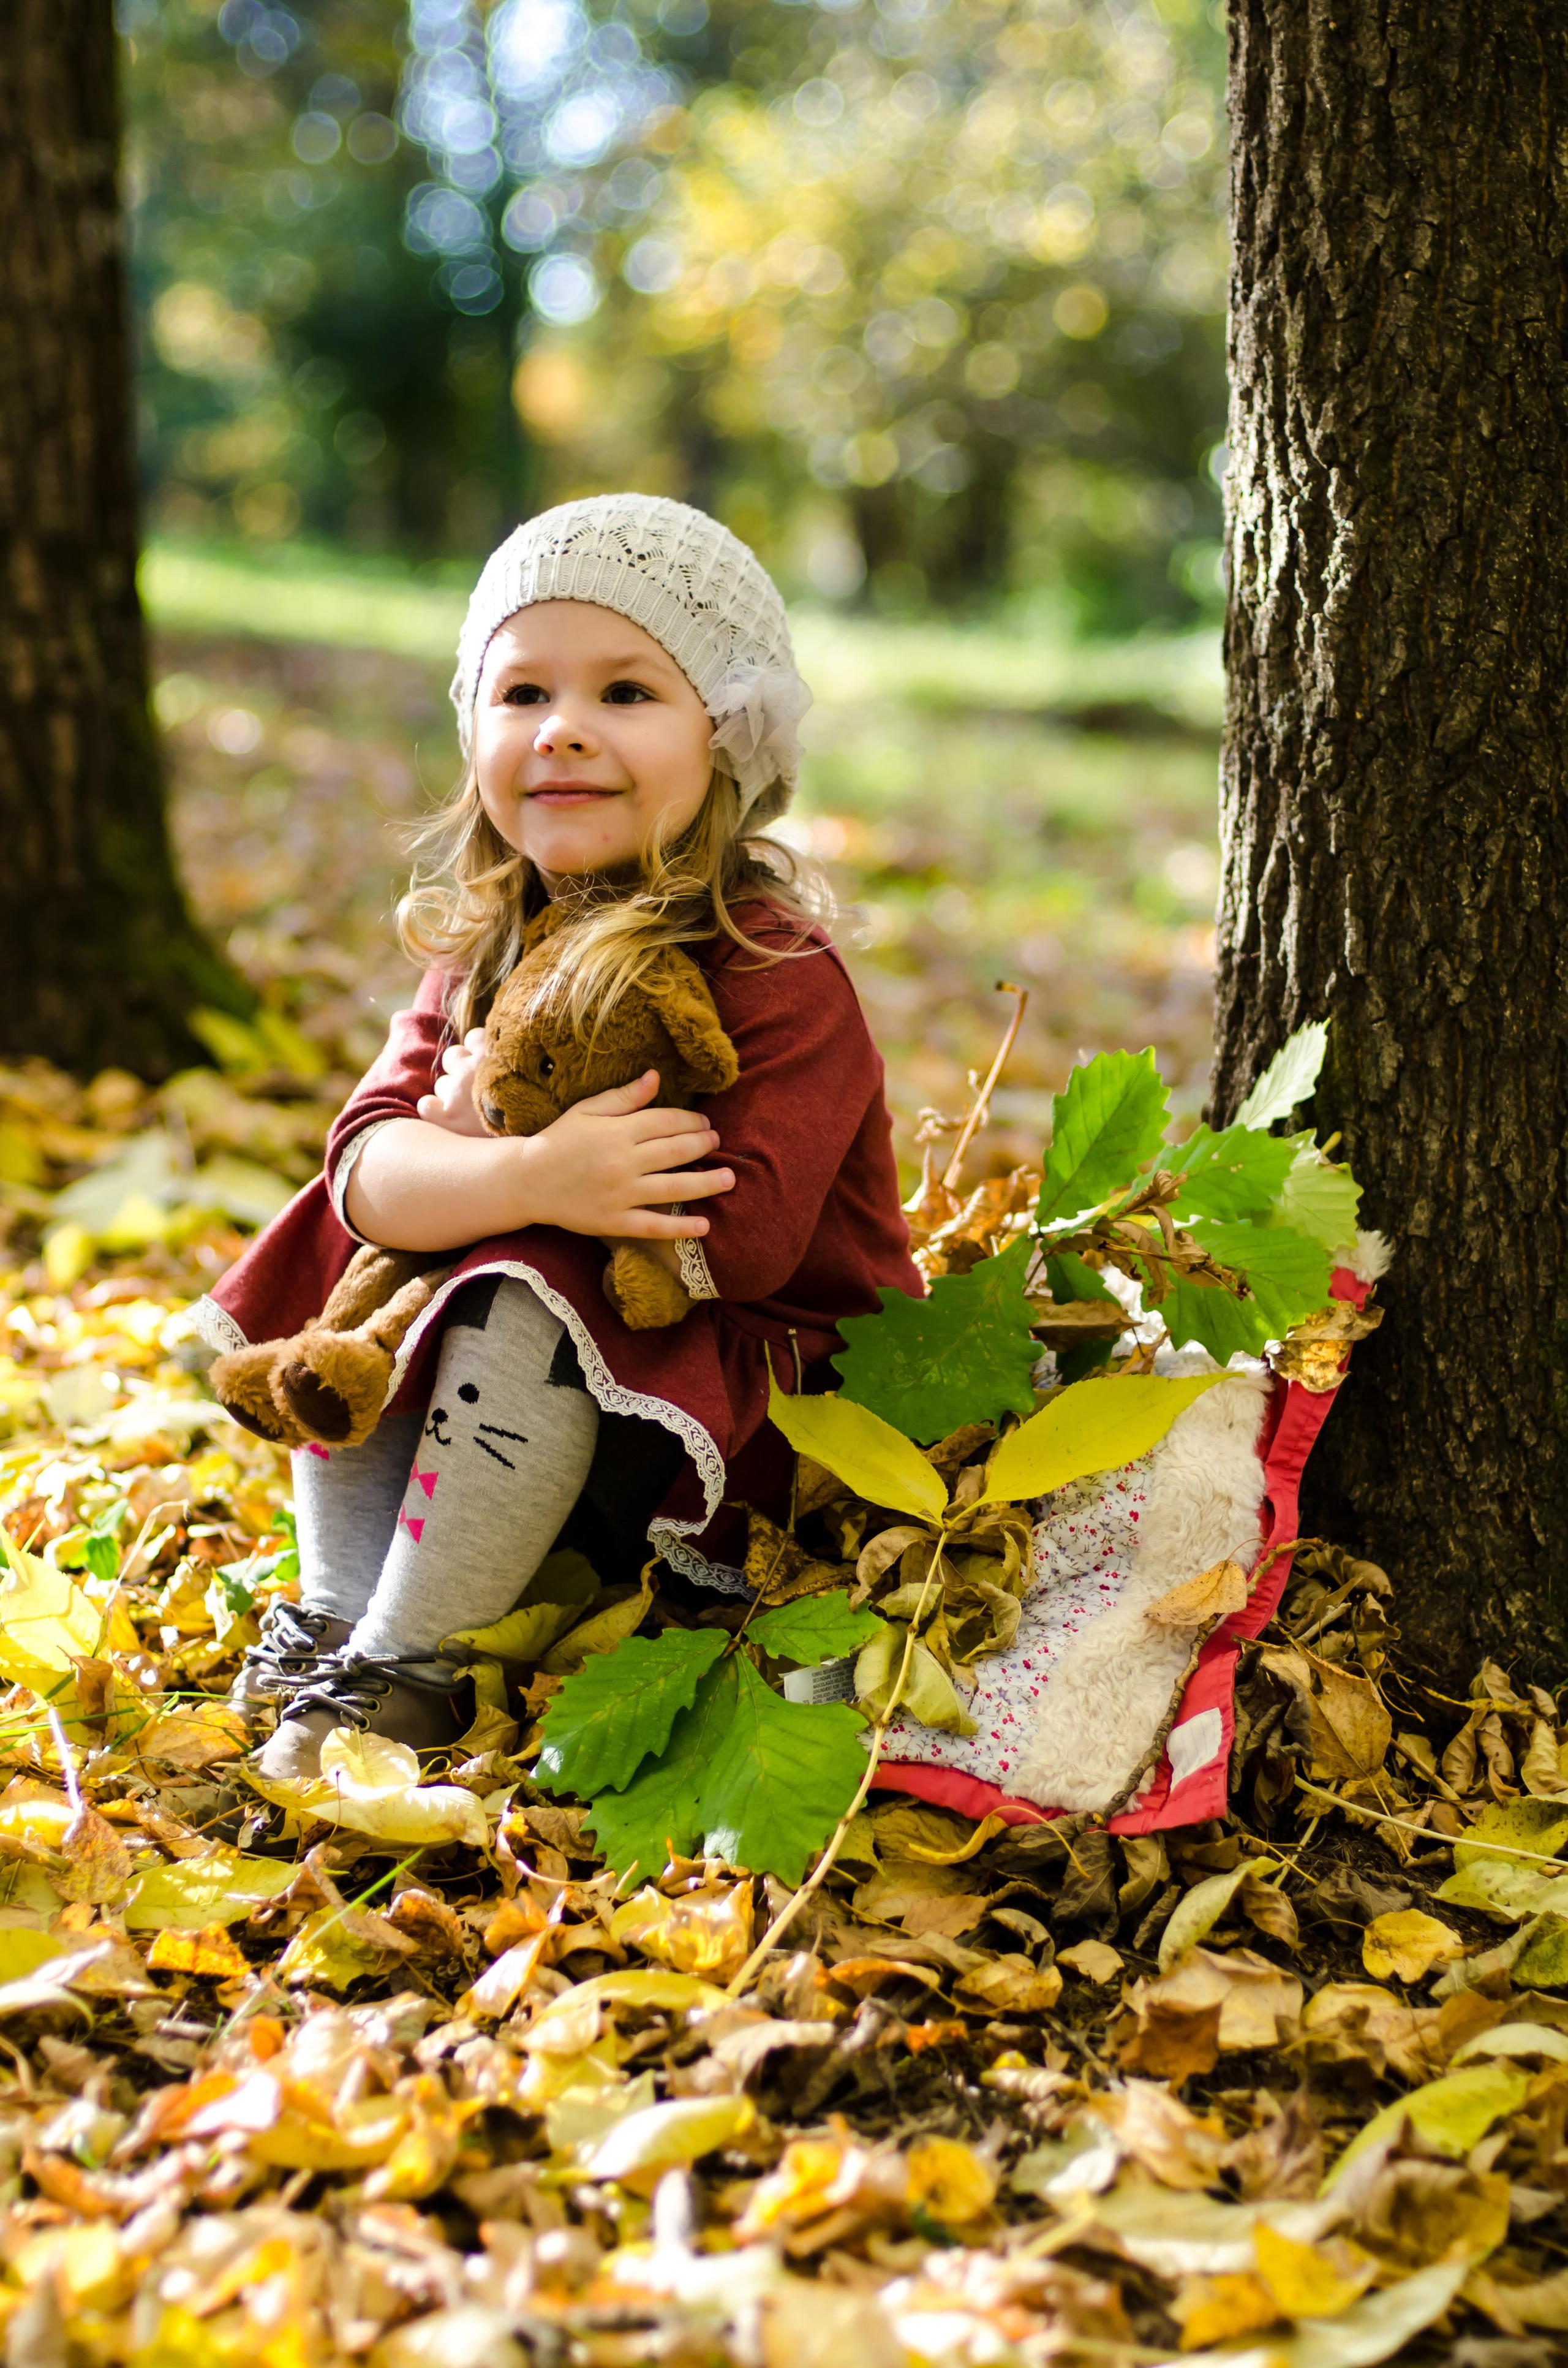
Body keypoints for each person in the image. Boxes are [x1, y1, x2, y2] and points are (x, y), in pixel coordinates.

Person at [192, 493, 921, 1778]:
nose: (564, 729)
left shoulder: (773, 968)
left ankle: (417, 1662)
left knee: (522, 1271)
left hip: (756, 1414)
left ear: (727, 732)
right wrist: (521, 1168)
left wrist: (501, 1178)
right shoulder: (489, 949)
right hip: (551, 1422)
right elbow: (360, 1171)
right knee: (370, 1268)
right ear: (474, 727)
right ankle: (344, 1612)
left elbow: (739, 1243)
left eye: (627, 692)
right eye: (521, 692)